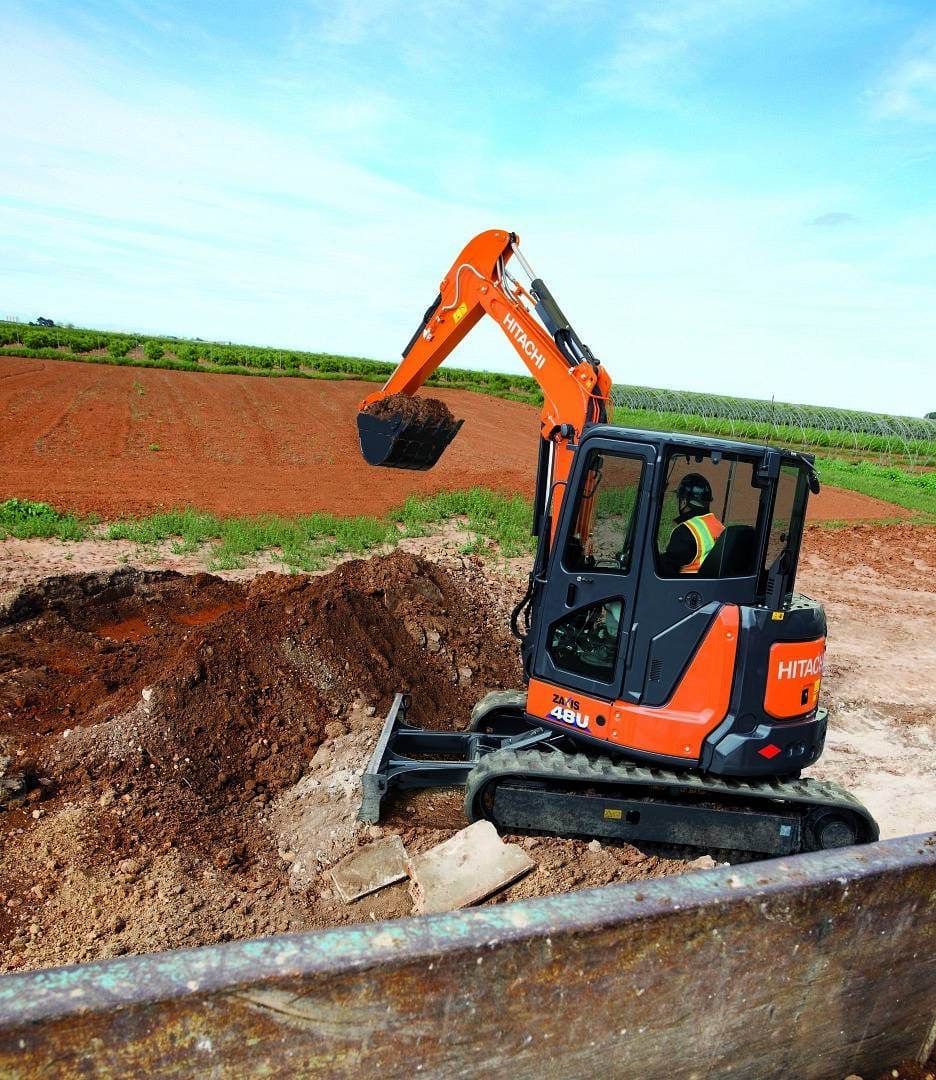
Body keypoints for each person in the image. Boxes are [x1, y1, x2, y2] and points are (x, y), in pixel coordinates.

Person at [660, 473, 724, 575]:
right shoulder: (721, 528)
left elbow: (666, 570)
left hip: (685, 588)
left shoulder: (685, 531)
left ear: (685, 501)